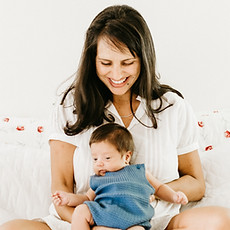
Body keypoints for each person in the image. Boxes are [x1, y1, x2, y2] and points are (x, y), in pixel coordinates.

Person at [1, 4, 230, 230]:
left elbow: (195, 182)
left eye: (128, 63)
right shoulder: (70, 106)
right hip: (87, 222)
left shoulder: (173, 107)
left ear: (144, 58)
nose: (117, 74)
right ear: (93, 61)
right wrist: (90, 222)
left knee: (221, 219)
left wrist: (147, 191)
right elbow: (61, 190)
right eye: (106, 63)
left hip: (155, 221)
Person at [52, 123, 188, 230]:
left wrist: (174, 196)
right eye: (95, 159)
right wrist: (68, 199)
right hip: (104, 216)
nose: (99, 163)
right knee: (81, 210)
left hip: (134, 220)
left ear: (126, 157)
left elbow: (159, 188)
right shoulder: (99, 179)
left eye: (107, 157)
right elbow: (86, 198)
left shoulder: (139, 172)